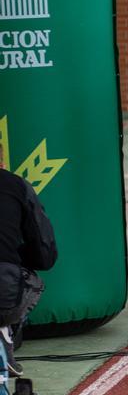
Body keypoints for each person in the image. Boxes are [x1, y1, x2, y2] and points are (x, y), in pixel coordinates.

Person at [0, 143, 57, 375]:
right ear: (2, 162)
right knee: (31, 282)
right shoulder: (17, 185)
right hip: (4, 287)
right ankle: (4, 333)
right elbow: (45, 254)